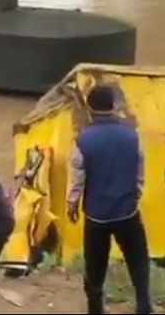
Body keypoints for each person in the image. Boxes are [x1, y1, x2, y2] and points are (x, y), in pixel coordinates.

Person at [67, 86, 152, 315]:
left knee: (94, 270)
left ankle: (95, 309)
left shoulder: (82, 140)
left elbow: (77, 178)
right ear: (114, 105)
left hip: (97, 216)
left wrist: (72, 204)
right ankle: (144, 306)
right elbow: (139, 165)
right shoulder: (131, 135)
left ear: (89, 108)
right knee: (138, 262)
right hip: (127, 212)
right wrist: (137, 191)